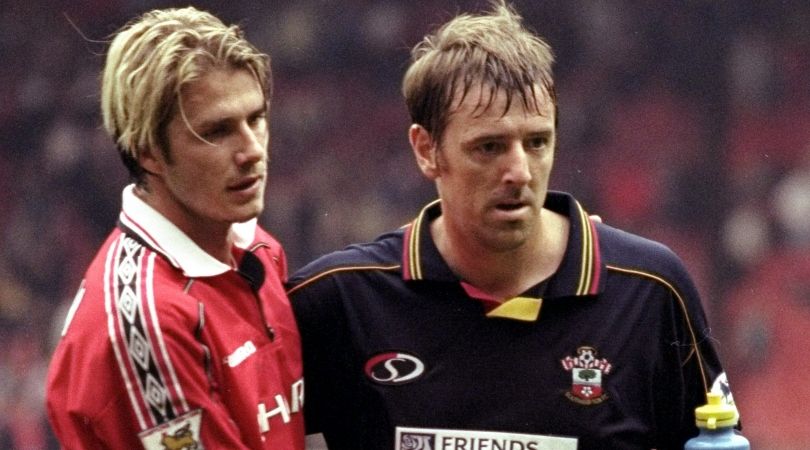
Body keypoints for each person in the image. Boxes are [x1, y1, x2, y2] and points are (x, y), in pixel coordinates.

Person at [287, 1, 740, 449]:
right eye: (489, 147)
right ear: (426, 150)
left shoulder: (649, 289)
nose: (520, 171)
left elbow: (716, 441)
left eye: (538, 141)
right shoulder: (339, 300)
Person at [45, 7, 305, 449]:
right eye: (217, 131)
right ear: (148, 151)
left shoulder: (258, 250)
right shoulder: (148, 321)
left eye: (255, 119)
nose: (251, 150)